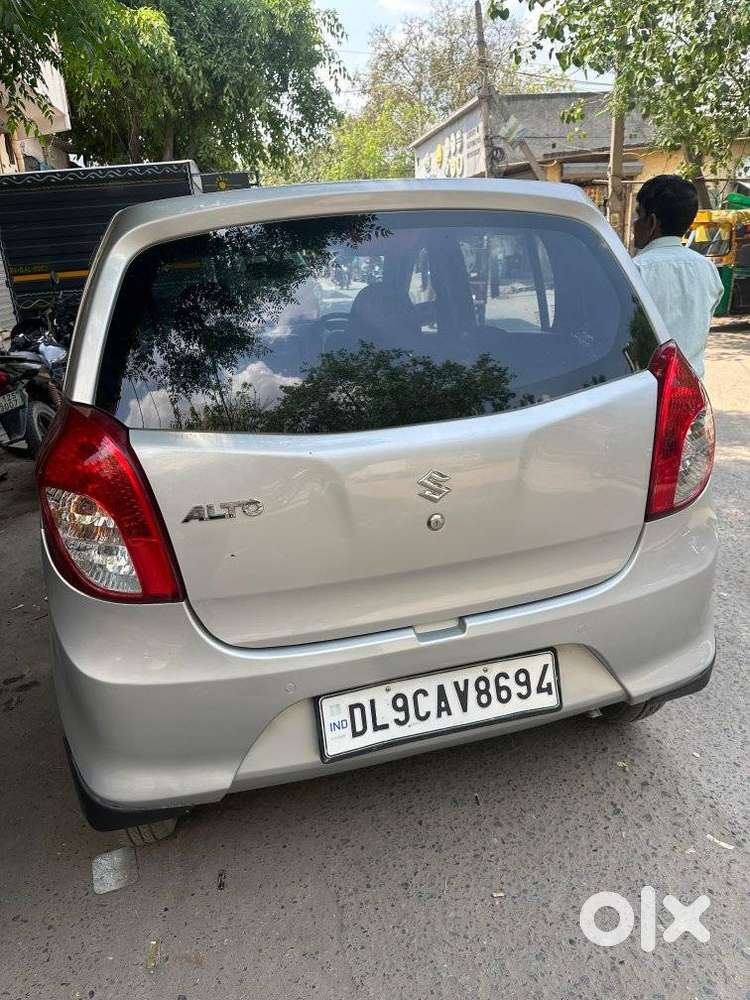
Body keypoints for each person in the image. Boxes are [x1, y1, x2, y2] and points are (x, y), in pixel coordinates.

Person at [632, 174, 723, 378]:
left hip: (645, 391)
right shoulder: (708, 269)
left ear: (652, 222)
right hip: (690, 393)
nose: (634, 224)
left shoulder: (636, 270)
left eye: (639, 215)